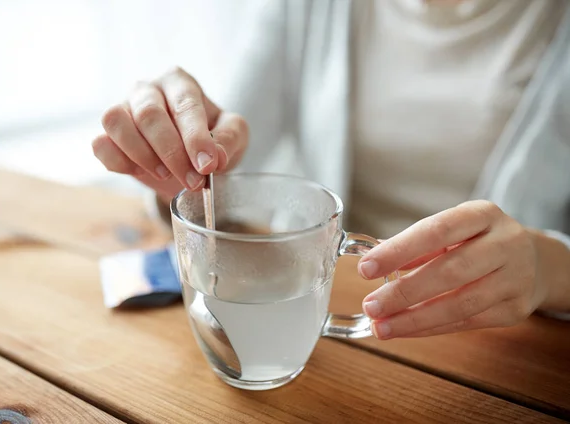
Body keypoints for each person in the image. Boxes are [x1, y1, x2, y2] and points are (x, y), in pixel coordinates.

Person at [91, 0, 570, 339]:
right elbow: (223, 162)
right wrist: (176, 160)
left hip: (511, 342)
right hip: (327, 312)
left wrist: (548, 268)